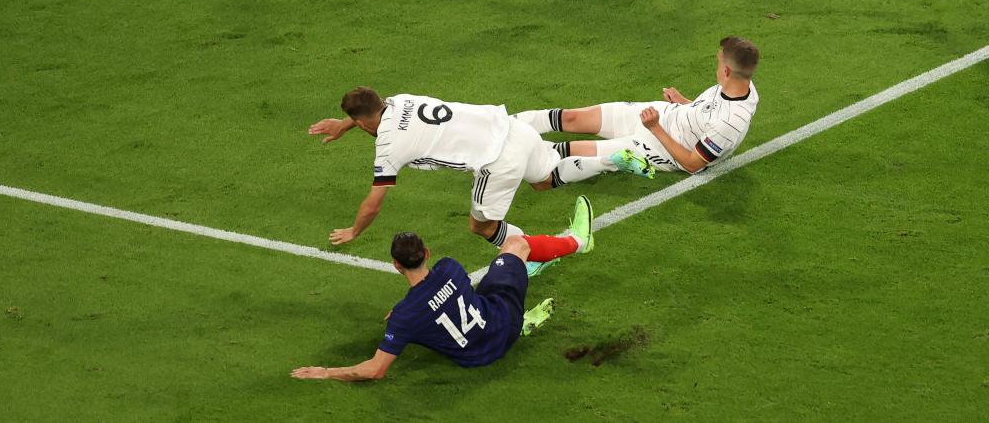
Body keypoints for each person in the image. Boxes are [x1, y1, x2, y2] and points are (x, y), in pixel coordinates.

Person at [308, 88, 651, 253]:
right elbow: (369, 114)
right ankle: (610, 159)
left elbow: (374, 202)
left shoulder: (389, 146)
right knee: (544, 180)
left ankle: (534, 252)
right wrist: (344, 124)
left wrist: (354, 230)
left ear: (363, 122)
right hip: (510, 127)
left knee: (481, 225)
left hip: (496, 161)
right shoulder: (400, 99)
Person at [290, 214, 591, 382]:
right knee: (515, 246)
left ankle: (526, 275)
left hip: (477, 358)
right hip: (504, 322)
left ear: (396, 265)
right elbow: (445, 295)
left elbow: (375, 369)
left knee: (483, 289)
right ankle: (577, 241)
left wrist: (325, 372)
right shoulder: (449, 268)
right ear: (427, 254)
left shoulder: (407, 317)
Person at [513, 37, 760, 176]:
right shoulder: (742, 86)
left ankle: (498, 158)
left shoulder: (729, 123)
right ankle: (503, 124)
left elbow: (693, 164)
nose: (716, 67)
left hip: (658, 147)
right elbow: (710, 110)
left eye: (718, 63)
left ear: (727, 71)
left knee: (563, 151)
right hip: (660, 115)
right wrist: (685, 102)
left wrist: (655, 129)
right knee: (571, 118)